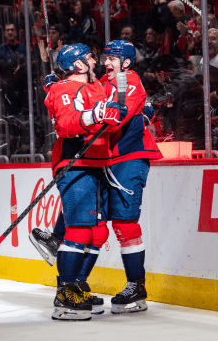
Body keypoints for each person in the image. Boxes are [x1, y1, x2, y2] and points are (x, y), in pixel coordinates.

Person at [42, 43, 127, 321]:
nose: (96, 61)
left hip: (96, 163)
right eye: (90, 57)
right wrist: (97, 114)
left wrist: (113, 114)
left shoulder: (94, 88)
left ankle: (76, 286)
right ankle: (65, 294)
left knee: (98, 232)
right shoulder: (64, 89)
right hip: (74, 163)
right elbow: (66, 124)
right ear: (79, 65)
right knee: (79, 229)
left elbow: (108, 120)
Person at [95, 40, 163, 314]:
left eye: (112, 58)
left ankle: (137, 286)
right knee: (95, 220)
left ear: (126, 63)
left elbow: (117, 118)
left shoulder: (128, 81)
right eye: (104, 56)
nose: (106, 62)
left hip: (130, 158)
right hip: (108, 158)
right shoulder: (104, 80)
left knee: (125, 223)